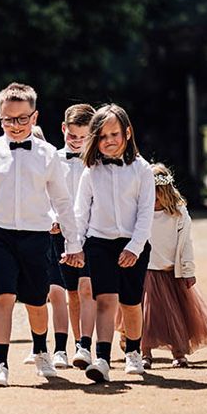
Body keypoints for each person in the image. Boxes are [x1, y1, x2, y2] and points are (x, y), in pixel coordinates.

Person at [0, 82, 83, 387]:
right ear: (0, 116)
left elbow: (62, 201)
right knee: (3, 297)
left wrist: (72, 243)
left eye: (22, 118)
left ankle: (42, 352)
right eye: (8, 119)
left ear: (34, 116)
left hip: (37, 236)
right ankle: (0, 364)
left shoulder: (47, 154)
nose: (15, 125)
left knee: (35, 301)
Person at [75, 104, 154, 383]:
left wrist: (134, 247)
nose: (109, 140)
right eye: (103, 136)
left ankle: (133, 351)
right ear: (95, 139)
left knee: (131, 303)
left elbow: (146, 212)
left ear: (128, 133)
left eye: (115, 134)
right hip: (99, 243)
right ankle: (102, 359)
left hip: (134, 244)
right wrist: (75, 245)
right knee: (105, 300)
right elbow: (80, 212)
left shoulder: (142, 170)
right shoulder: (90, 172)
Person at [141, 163, 207, 368]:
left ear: (165, 191)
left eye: (156, 193)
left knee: (174, 316)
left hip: (170, 272)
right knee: (144, 316)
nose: (153, 199)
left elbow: (186, 243)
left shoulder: (178, 213)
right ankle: (144, 354)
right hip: (144, 271)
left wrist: (188, 271)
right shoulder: (140, 212)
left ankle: (178, 353)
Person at [21, 124, 71, 370]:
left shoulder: (53, 166)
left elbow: (61, 198)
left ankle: (61, 348)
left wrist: (56, 220)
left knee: (57, 292)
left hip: (57, 234)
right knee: (36, 295)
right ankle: (38, 345)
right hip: (36, 236)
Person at [54, 104, 96, 370]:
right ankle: (70, 344)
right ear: (63, 129)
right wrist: (52, 218)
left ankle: (86, 345)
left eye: (83, 137)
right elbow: (46, 195)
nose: (78, 142)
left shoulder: (98, 162)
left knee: (88, 289)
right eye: (72, 136)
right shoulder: (53, 159)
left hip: (91, 233)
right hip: (60, 233)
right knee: (70, 292)